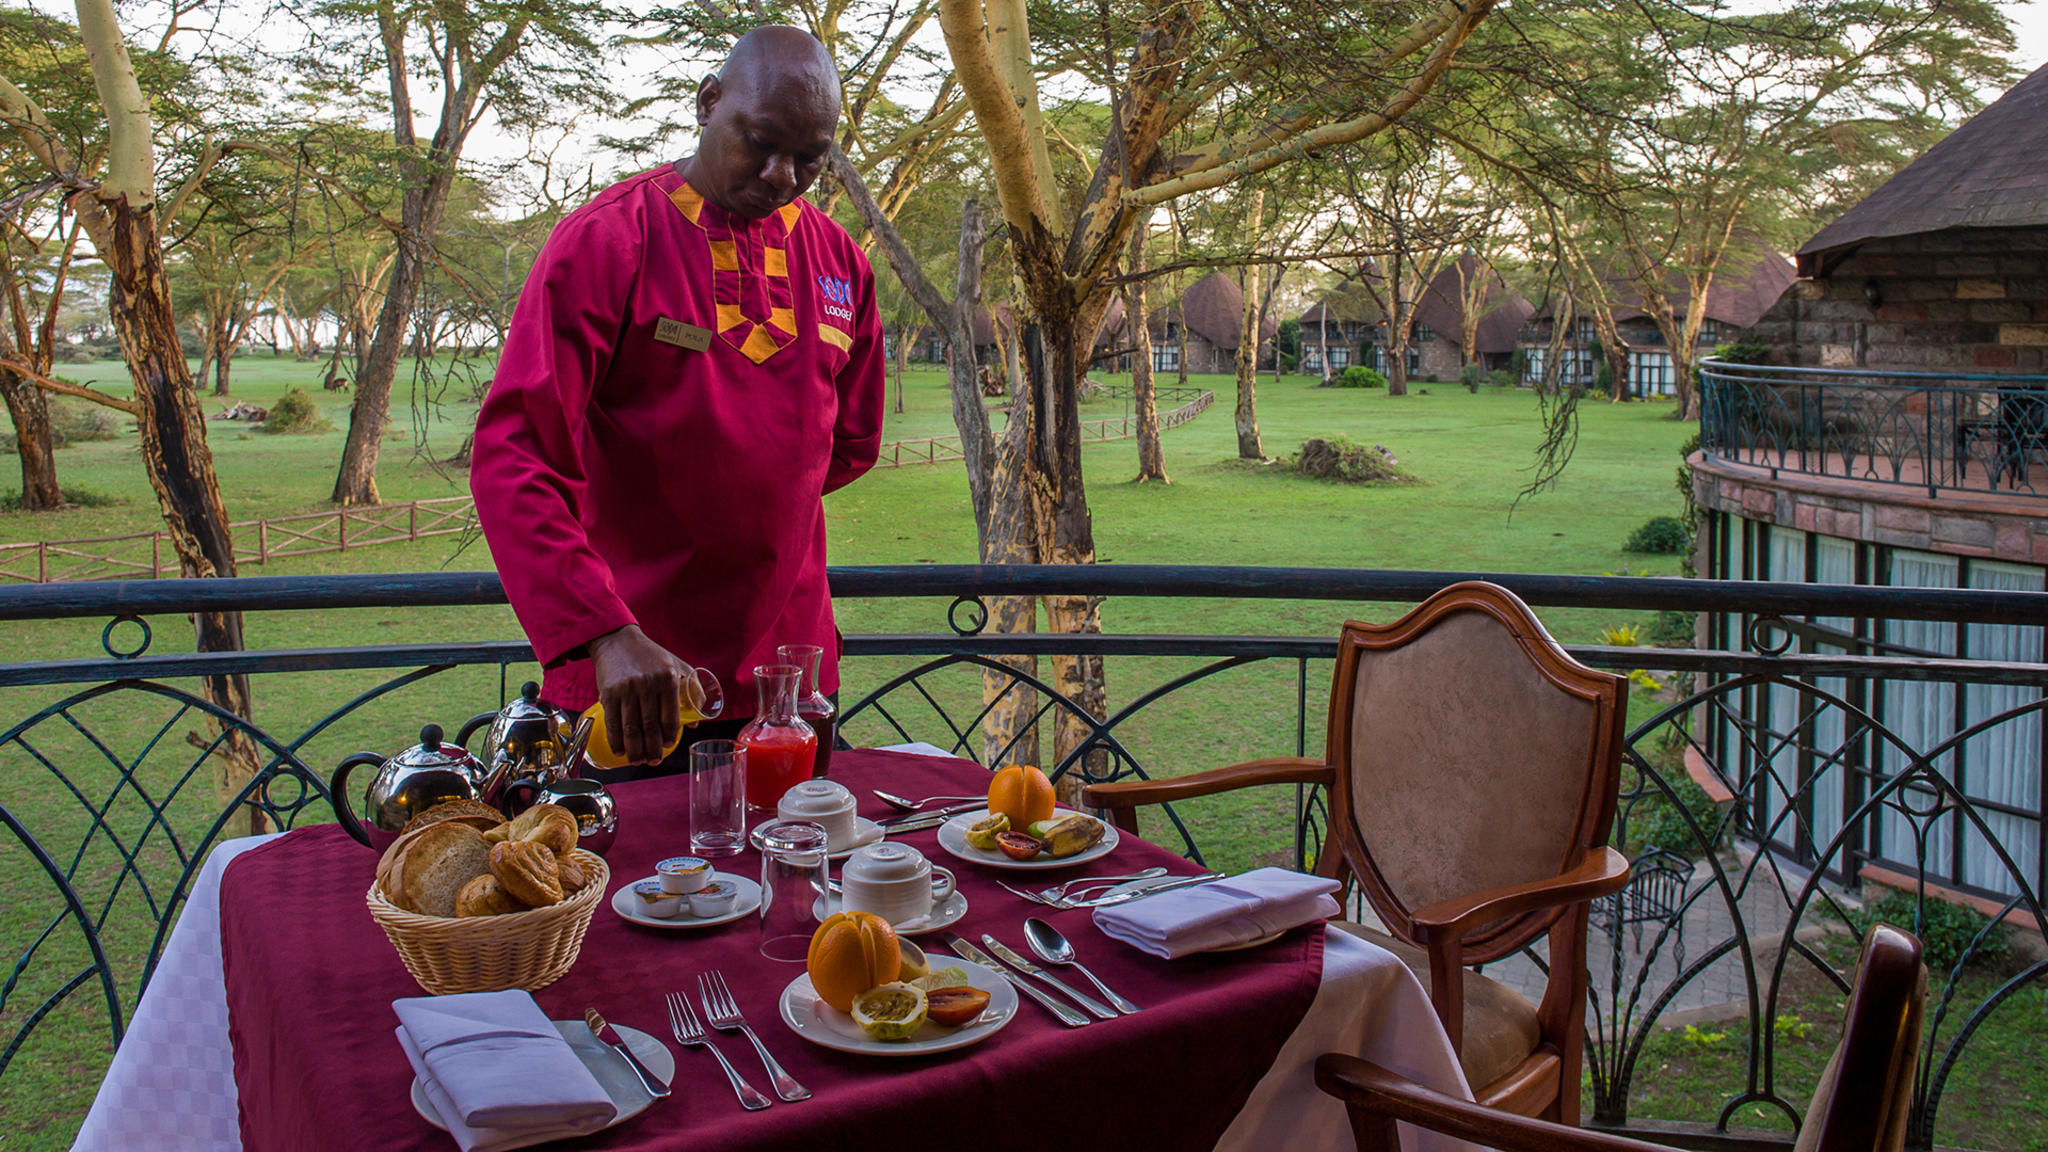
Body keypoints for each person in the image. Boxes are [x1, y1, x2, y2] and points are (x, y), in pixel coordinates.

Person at [471, 26, 884, 778]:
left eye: (809, 158)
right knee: (628, 857)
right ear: (708, 102)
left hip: (790, 678)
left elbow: (850, 442)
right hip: (634, 678)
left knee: (796, 852)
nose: (781, 175)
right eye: (760, 142)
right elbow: (515, 455)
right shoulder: (608, 240)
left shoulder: (840, 262)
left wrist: (742, 498)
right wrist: (603, 631)